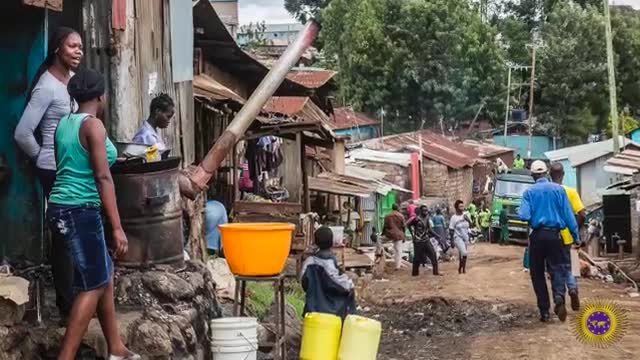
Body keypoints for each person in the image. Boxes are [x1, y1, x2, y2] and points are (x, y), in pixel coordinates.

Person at [46, 68, 139, 360]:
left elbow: (67, 165)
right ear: (101, 96)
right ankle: (66, 356)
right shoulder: (94, 127)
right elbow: (102, 177)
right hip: (81, 210)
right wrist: (117, 227)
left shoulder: (64, 125)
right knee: (94, 284)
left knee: (104, 276)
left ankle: (116, 347)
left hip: (59, 206)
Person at [14, 27, 83, 321]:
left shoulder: (70, 82)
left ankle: (75, 302)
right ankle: (67, 307)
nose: (78, 51)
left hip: (69, 168)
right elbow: (22, 133)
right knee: (64, 236)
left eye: (80, 46)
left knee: (74, 235)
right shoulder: (47, 86)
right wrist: (43, 156)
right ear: (57, 48)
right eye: (72, 46)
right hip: (53, 169)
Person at [519, 160, 579, 323]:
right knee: (557, 269)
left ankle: (544, 311)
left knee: (537, 273)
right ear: (546, 173)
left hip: (537, 236)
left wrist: (535, 217)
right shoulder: (559, 190)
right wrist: (576, 237)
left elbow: (523, 215)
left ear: (533, 175)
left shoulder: (528, 193)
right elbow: (569, 216)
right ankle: (559, 296)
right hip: (555, 236)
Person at [550, 162, 586, 311]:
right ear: (563, 174)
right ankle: (572, 288)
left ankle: (559, 296)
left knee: (556, 268)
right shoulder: (571, 192)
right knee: (570, 267)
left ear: (550, 175)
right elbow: (582, 213)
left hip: (552, 236)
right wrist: (575, 230)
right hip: (569, 238)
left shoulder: (549, 192)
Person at [301, 226, 356, 319]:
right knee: (350, 291)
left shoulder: (309, 262)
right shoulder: (330, 263)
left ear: (316, 242)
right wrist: (351, 285)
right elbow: (339, 283)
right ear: (331, 243)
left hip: (312, 308)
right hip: (331, 311)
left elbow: (304, 283)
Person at [407, 205, 443, 276]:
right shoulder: (416, 219)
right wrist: (412, 235)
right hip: (418, 241)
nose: (425, 212)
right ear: (420, 211)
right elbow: (408, 225)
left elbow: (429, 229)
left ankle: (435, 272)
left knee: (433, 254)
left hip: (426, 240)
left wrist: (437, 235)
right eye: (424, 210)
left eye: (426, 210)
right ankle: (415, 273)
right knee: (417, 258)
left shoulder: (427, 218)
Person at [449, 200, 471, 274]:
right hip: (457, 237)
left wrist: (468, 220)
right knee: (464, 253)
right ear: (456, 208)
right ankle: (462, 269)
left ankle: (462, 268)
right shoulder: (454, 218)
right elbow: (451, 229)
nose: (462, 208)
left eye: (463, 206)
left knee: (462, 254)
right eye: (460, 206)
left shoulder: (466, 214)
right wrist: (451, 240)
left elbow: (472, 224)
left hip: (465, 237)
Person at [383, 204, 406, 270]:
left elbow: (384, 227)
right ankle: (397, 266)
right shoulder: (401, 216)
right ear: (398, 208)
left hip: (389, 234)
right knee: (398, 250)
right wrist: (404, 236)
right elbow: (403, 227)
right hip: (399, 235)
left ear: (392, 208)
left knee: (378, 240)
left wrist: (383, 234)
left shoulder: (387, 216)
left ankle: (378, 253)